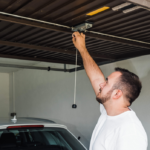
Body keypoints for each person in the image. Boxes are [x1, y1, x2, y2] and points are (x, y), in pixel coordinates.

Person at [72, 32, 148, 150]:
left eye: (107, 82)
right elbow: (96, 78)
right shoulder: (108, 112)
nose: (102, 84)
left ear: (117, 94)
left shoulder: (130, 132)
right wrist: (82, 49)